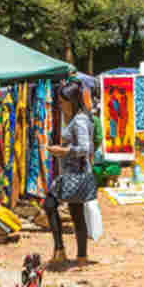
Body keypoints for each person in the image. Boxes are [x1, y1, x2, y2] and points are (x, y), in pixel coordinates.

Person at [46, 80, 98, 268]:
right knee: (76, 214)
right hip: (74, 173)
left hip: (75, 174)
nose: (60, 106)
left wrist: (63, 151)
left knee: (50, 204)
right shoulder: (78, 118)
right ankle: (80, 256)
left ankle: (61, 250)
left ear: (72, 101)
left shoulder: (79, 121)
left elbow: (85, 148)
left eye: (62, 102)